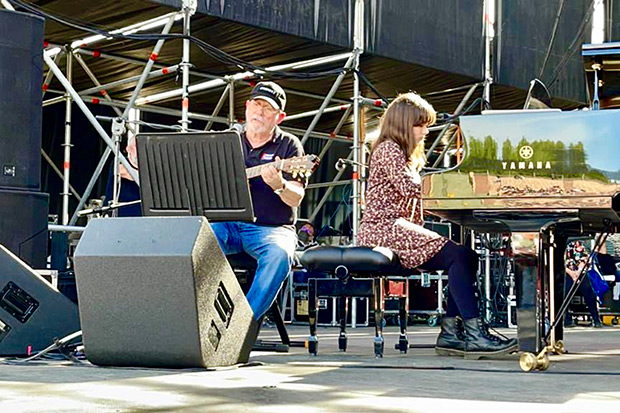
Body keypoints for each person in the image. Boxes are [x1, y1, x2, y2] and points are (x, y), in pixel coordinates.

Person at [357, 92, 517, 358]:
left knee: (466, 255)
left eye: (427, 125)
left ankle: (451, 334)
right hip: (382, 230)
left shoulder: (402, 154)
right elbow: (410, 187)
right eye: (421, 125)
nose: (425, 131)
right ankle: (473, 335)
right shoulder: (388, 148)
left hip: (396, 228)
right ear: (404, 124)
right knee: (458, 254)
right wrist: (459, 186)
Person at [211, 81, 306, 320]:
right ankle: (203, 313)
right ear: (246, 107)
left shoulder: (289, 146)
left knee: (280, 254)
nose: (259, 112)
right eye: (256, 105)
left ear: (280, 117)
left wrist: (279, 185)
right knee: (201, 239)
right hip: (227, 224)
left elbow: (296, 197)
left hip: (270, 228)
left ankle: (242, 322)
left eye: (268, 108)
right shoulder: (228, 140)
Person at [564, 240, 603, 328]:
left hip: (581, 272)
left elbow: (585, 258)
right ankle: (566, 319)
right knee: (564, 294)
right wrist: (570, 273)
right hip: (566, 272)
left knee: (589, 294)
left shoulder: (581, 243)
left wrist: (578, 271)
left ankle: (596, 319)